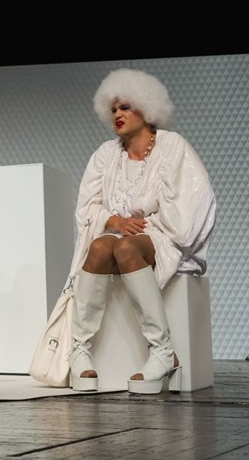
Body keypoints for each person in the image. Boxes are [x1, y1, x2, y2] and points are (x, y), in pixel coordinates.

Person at [67, 68, 216, 394]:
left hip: (161, 234)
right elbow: (86, 208)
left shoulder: (171, 146)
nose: (117, 115)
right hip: (116, 233)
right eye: (113, 109)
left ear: (147, 109)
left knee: (125, 248)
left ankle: (162, 351)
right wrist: (114, 221)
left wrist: (144, 224)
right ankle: (79, 348)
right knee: (100, 247)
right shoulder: (106, 155)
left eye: (125, 107)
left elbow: (192, 202)